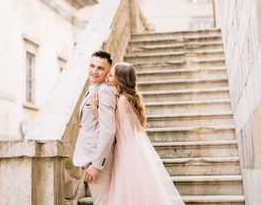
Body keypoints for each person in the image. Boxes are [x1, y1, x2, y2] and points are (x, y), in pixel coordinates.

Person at [91, 62, 184, 205]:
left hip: (124, 151)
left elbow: (113, 129)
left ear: (120, 78)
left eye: (112, 74)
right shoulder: (127, 98)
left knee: (129, 192)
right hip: (133, 148)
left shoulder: (122, 101)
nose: (109, 75)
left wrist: (96, 110)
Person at [73, 50, 117, 205]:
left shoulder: (104, 92)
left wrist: (97, 164)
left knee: (102, 202)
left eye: (100, 68)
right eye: (92, 66)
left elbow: (108, 129)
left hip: (98, 161)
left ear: (107, 72)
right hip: (92, 158)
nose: (94, 71)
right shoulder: (94, 89)